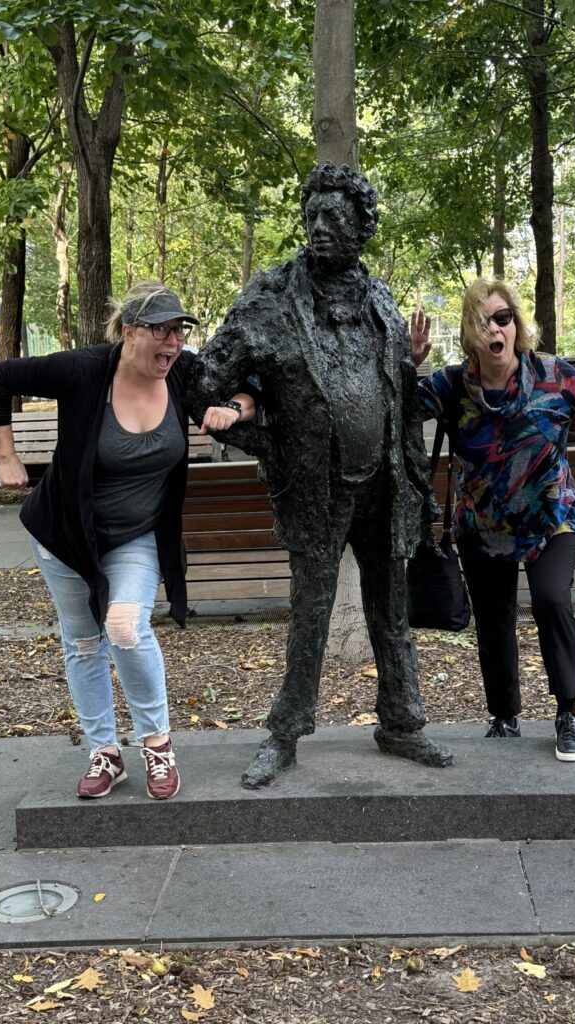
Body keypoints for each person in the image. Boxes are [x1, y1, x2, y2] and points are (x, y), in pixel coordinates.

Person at [186, 162, 453, 789]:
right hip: (315, 485)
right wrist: (263, 437)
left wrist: (414, 475)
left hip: (383, 483)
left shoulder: (381, 298)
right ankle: (285, 733)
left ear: (362, 225)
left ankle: (402, 722)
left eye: (335, 215)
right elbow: (204, 383)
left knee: (390, 606)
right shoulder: (272, 296)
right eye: (312, 213)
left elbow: (397, 393)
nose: (319, 225)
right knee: (311, 611)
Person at [0, 282, 256, 800]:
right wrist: (6, 456)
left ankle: (157, 745)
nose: (171, 342)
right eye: (160, 330)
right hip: (64, 536)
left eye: (178, 330)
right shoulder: (84, 370)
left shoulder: (184, 373)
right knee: (84, 644)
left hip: (136, 535)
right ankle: (105, 753)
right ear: (128, 332)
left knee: (125, 625)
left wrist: (234, 410)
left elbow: (252, 386)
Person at [410, 278, 575, 763]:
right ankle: (503, 717)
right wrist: (411, 364)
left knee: (551, 600)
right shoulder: (450, 386)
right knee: (494, 619)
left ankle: (567, 712)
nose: (495, 328)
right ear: (470, 332)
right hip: (483, 525)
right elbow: (399, 409)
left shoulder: (552, 374)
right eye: (483, 321)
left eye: (503, 317)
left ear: (516, 324)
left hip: (552, 515)